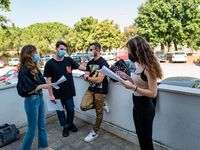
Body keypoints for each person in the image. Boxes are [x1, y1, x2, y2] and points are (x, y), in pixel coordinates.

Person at [117, 36, 163, 150]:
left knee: (146, 142)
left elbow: (153, 93)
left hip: (145, 108)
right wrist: (127, 77)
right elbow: (139, 84)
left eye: (130, 51)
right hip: (136, 106)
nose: (129, 53)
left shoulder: (149, 67)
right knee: (140, 138)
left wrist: (133, 88)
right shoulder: (139, 65)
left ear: (137, 50)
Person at [43, 41, 86, 137]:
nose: (63, 51)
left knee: (70, 109)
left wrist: (90, 69)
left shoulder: (68, 60)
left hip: (68, 91)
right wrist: (51, 95)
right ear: (56, 49)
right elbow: (48, 80)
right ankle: (65, 126)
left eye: (65, 50)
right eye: (61, 49)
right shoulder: (49, 64)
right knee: (60, 112)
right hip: (57, 93)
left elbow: (80, 67)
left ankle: (70, 124)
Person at [17, 45, 55, 150]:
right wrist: (42, 86)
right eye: (36, 52)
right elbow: (26, 91)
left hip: (39, 98)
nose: (38, 53)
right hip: (31, 101)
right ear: (29, 54)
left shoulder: (34, 67)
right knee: (31, 129)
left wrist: (47, 84)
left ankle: (45, 146)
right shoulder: (24, 71)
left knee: (42, 125)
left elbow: (40, 82)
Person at [80, 42, 110, 142]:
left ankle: (94, 132)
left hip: (101, 90)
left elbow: (99, 80)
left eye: (91, 50)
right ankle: (101, 105)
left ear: (97, 50)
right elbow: (86, 77)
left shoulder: (103, 63)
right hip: (91, 89)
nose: (89, 52)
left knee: (99, 112)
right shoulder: (89, 62)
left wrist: (88, 78)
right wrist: (89, 78)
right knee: (83, 106)